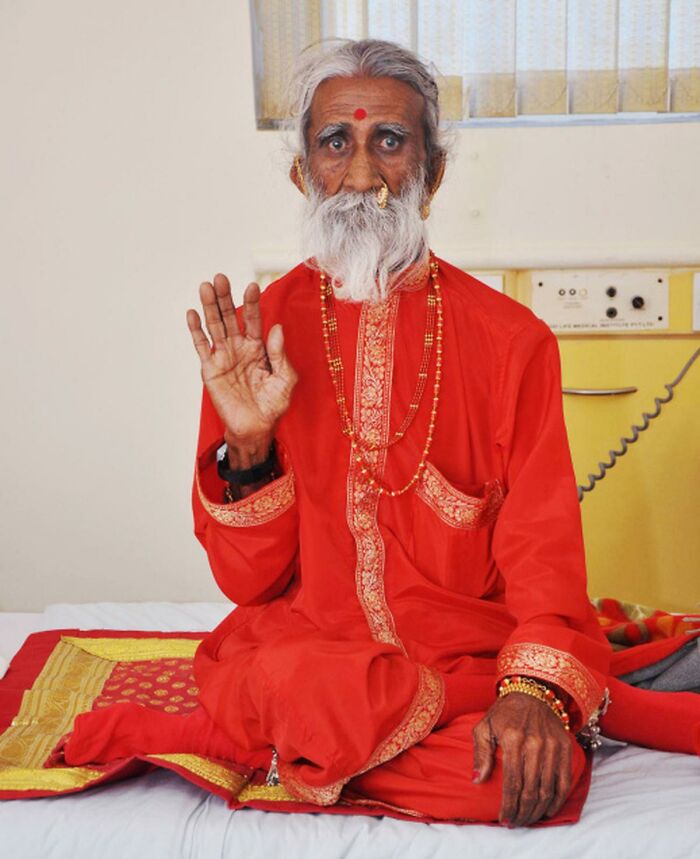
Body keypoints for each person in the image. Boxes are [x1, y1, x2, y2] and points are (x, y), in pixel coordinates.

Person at [182, 39, 699, 828]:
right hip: (312, 650)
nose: (361, 173)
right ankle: (321, 733)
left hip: (464, 661)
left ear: (434, 173)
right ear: (300, 173)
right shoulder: (263, 333)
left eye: (389, 141)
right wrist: (247, 447)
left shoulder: (510, 340)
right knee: (278, 681)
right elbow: (247, 585)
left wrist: (530, 694)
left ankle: (309, 753)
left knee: (507, 778)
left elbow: (543, 557)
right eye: (335, 142)